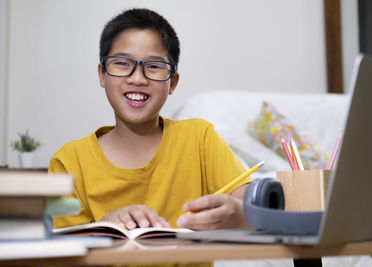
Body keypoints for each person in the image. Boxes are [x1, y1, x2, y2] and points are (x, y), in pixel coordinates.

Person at [49, 8, 252, 235]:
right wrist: (102, 228)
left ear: (173, 82)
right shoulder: (69, 162)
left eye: (154, 66)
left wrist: (240, 214)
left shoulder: (199, 138)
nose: (137, 78)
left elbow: (256, 210)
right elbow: (60, 252)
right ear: (102, 74)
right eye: (123, 63)